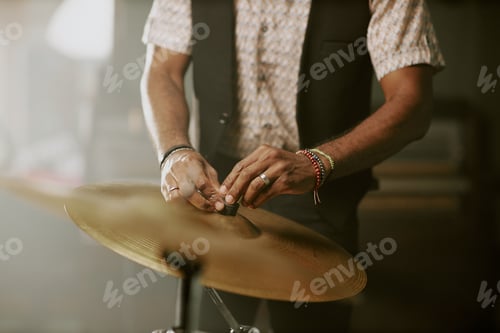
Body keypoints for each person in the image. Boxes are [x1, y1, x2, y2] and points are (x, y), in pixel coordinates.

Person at [141, 0, 445, 332]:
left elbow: (412, 102)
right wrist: (176, 150)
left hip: (320, 196)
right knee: (206, 325)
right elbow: (162, 69)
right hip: (216, 192)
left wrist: (316, 162)